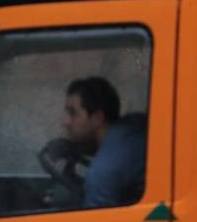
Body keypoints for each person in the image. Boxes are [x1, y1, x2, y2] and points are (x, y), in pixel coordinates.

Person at [58, 76, 147, 209]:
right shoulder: (136, 123)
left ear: (98, 118)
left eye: (73, 113)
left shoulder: (102, 173)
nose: (65, 122)